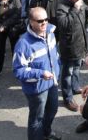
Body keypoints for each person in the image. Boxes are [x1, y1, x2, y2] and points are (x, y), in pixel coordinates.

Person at [13, 7, 61, 140]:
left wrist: (57, 69)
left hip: (52, 82)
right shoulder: (23, 44)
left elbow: (54, 54)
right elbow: (18, 70)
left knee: (52, 110)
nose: (44, 23)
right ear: (31, 22)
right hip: (37, 88)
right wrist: (40, 73)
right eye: (40, 21)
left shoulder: (50, 32)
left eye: (46, 19)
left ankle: (46, 133)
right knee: (37, 118)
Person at [56, 0, 88, 112]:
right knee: (67, 72)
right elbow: (64, 25)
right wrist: (74, 10)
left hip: (80, 43)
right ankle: (67, 98)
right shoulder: (62, 6)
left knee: (77, 67)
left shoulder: (78, 1)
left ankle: (75, 86)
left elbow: (86, 7)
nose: (79, 0)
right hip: (69, 46)